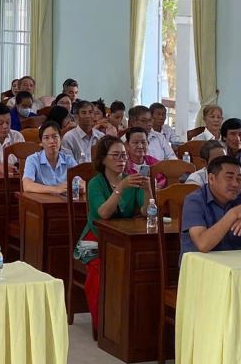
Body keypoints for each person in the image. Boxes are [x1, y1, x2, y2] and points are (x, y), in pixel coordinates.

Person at [78, 136, 151, 335]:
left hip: (121, 239)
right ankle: (102, 324)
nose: (121, 160)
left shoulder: (131, 179)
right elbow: (103, 213)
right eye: (116, 155)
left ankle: (126, 322)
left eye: (124, 155)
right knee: (99, 271)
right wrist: (121, 187)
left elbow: (147, 211)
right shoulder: (95, 183)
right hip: (92, 239)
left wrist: (147, 190)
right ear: (103, 159)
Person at [181, 153, 241, 257]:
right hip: (200, 264)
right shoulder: (194, 200)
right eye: (229, 177)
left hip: (233, 263)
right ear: (211, 179)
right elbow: (203, 244)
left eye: (239, 179)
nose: (235, 184)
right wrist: (234, 214)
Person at [23, 120, 74, 194]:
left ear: (61, 139)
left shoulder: (68, 159)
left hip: (65, 199)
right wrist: (56, 189)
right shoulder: (32, 159)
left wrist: (80, 187)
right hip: (42, 200)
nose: (52, 141)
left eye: (55, 137)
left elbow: (81, 182)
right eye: (46, 138)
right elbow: (27, 185)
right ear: (41, 143)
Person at [60, 101, 105, 167]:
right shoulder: (69, 137)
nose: (88, 116)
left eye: (90, 112)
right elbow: (69, 165)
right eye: (84, 113)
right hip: (76, 172)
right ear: (76, 117)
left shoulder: (101, 137)